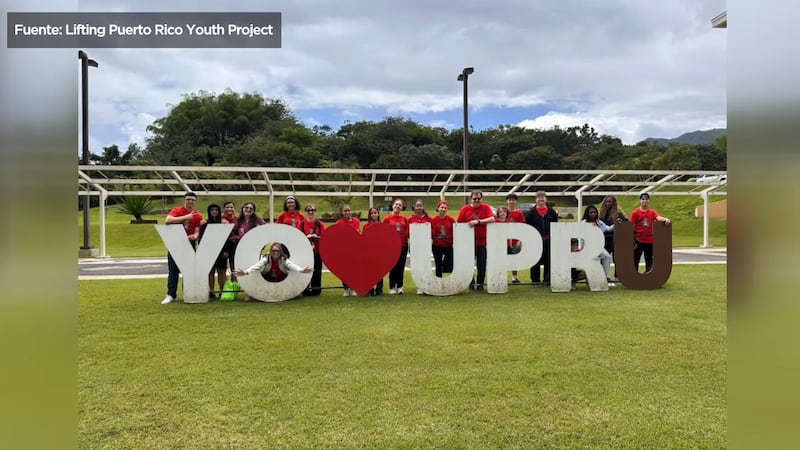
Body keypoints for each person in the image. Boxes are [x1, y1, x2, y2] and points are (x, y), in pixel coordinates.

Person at [161, 192, 204, 304]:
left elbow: (197, 230)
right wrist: (186, 217)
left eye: (193, 200)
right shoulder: (177, 210)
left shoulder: (198, 215)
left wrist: (195, 236)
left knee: (189, 271)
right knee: (173, 271)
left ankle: (188, 293)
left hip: (189, 245)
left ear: (195, 202)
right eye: (188, 199)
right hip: (175, 245)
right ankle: (171, 294)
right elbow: (168, 220)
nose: (190, 201)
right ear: (185, 200)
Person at [457, 190, 495, 291]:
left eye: (479, 198)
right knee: (469, 264)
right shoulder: (465, 209)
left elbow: (492, 219)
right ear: (471, 199)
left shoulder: (486, 207)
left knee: (481, 265)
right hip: (468, 242)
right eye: (475, 198)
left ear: (481, 199)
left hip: (482, 242)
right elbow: (459, 223)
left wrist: (478, 221)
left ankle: (480, 284)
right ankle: (471, 283)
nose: (477, 200)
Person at [630, 193, 671, 273]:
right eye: (643, 199)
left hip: (650, 240)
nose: (645, 201)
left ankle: (648, 276)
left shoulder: (652, 212)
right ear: (640, 201)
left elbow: (658, 218)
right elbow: (632, 226)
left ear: (649, 201)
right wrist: (632, 240)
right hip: (638, 240)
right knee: (635, 259)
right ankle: (634, 276)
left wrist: (665, 219)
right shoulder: (635, 213)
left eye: (646, 199)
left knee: (649, 260)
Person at [232, 242, 312, 283]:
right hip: (268, 281)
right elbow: (257, 265)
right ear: (271, 251)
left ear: (280, 252)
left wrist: (301, 270)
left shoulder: (284, 260)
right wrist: (246, 272)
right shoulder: (266, 259)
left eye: (277, 251)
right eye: (274, 251)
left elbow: (292, 265)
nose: (276, 253)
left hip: (281, 281)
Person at [525, 190, 559, 285]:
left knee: (549, 260)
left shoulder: (552, 212)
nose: (541, 199)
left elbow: (556, 225)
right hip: (535, 240)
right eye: (539, 197)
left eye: (543, 197)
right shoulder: (531, 213)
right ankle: (535, 280)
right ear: (536, 200)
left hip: (549, 240)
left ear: (546, 199)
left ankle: (547, 280)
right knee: (535, 260)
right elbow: (527, 226)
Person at [228, 202, 267, 282]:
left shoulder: (258, 220)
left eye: (251, 208)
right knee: (239, 267)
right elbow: (232, 234)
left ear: (253, 211)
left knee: (253, 267)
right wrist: (239, 237)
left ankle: (254, 286)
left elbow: (265, 233)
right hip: (240, 248)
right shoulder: (237, 220)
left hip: (254, 249)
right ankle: (238, 285)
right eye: (246, 207)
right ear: (242, 209)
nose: (248, 209)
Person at [199, 204, 228, 301]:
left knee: (221, 272)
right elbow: (201, 239)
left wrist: (226, 251)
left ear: (219, 211)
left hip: (221, 251)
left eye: (216, 210)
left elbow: (227, 238)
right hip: (208, 251)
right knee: (210, 272)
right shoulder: (204, 224)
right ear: (209, 211)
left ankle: (222, 291)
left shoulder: (223, 223)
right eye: (212, 210)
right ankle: (211, 292)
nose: (214, 212)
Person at [580, 205, 614, 285]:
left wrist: (615, 224)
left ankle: (606, 277)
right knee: (594, 261)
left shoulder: (599, 222)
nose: (593, 214)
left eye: (594, 212)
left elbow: (608, 228)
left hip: (598, 246)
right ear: (587, 214)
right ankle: (591, 279)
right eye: (591, 212)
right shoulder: (584, 223)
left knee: (607, 256)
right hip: (587, 247)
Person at [383, 199, 409, 294]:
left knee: (401, 267)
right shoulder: (387, 219)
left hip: (403, 245)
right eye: (396, 204)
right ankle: (392, 287)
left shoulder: (404, 219)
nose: (398, 206)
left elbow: (407, 232)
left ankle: (400, 286)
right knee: (393, 266)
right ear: (393, 206)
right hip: (392, 246)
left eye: (400, 205)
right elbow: (384, 232)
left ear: (402, 208)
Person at [299, 203, 326, 296]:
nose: (311, 212)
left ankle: (316, 288)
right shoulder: (301, 223)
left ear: (316, 212)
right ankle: (305, 289)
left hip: (317, 251)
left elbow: (325, 237)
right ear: (306, 212)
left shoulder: (320, 224)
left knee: (317, 270)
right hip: (305, 252)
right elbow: (298, 236)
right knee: (305, 270)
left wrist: (317, 237)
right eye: (308, 211)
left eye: (313, 210)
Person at [598, 195, 627, 281]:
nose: (608, 203)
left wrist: (620, 222)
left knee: (617, 258)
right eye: (606, 201)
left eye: (610, 201)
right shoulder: (601, 214)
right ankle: (603, 276)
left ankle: (617, 276)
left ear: (614, 202)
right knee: (603, 258)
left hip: (615, 238)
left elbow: (626, 222)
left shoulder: (618, 214)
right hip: (604, 238)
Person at [336, 204, 361, 296]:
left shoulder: (356, 221)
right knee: (345, 269)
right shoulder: (339, 222)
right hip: (344, 249)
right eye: (345, 211)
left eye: (348, 210)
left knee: (354, 269)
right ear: (342, 212)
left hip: (354, 248)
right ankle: (346, 288)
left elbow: (357, 233)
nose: (347, 212)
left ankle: (353, 287)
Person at [408, 199, 431, 294]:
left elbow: (433, 232)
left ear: (423, 206)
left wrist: (426, 227)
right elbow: (407, 233)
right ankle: (419, 286)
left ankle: (425, 284)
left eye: (420, 205)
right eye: (417, 205)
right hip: (415, 246)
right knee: (417, 266)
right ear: (414, 207)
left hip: (425, 246)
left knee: (425, 266)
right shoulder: (410, 219)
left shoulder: (428, 219)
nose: (419, 207)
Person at [430, 200, 455, 278]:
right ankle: (438, 279)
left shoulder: (451, 220)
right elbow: (431, 232)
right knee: (438, 264)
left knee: (449, 262)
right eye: (441, 207)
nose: (443, 209)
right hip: (437, 245)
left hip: (448, 245)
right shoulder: (433, 220)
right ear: (438, 208)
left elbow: (455, 230)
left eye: (445, 208)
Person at [363, 207, 385, 296]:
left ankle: (379, 289)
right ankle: (370, 289)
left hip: (379, 251)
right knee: (369, 271)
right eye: (372, 213)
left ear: (378, 214)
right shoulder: (366, 225)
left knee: (379, 271)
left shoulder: (381, 225)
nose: (374, 214)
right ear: (370, 215)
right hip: (369, 251)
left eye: (375, 213)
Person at [506, 193, 526, 283]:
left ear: (516, 202)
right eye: (510, 200)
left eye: (513, 200)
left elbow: (522, 227)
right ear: (507, 201)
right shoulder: (503, 212)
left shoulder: (519, 213)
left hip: (515, 240)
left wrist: (520, 240)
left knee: (515, 259)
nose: (511, 202)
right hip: (504, 240)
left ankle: (515, 277)